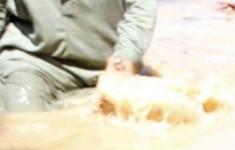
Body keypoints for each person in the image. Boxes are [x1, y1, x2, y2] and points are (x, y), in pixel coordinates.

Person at [1, 0, 156, 112]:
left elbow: (140, 6)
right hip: (34, 59)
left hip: (107, 67)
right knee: (25, 123)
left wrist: (126, 56)